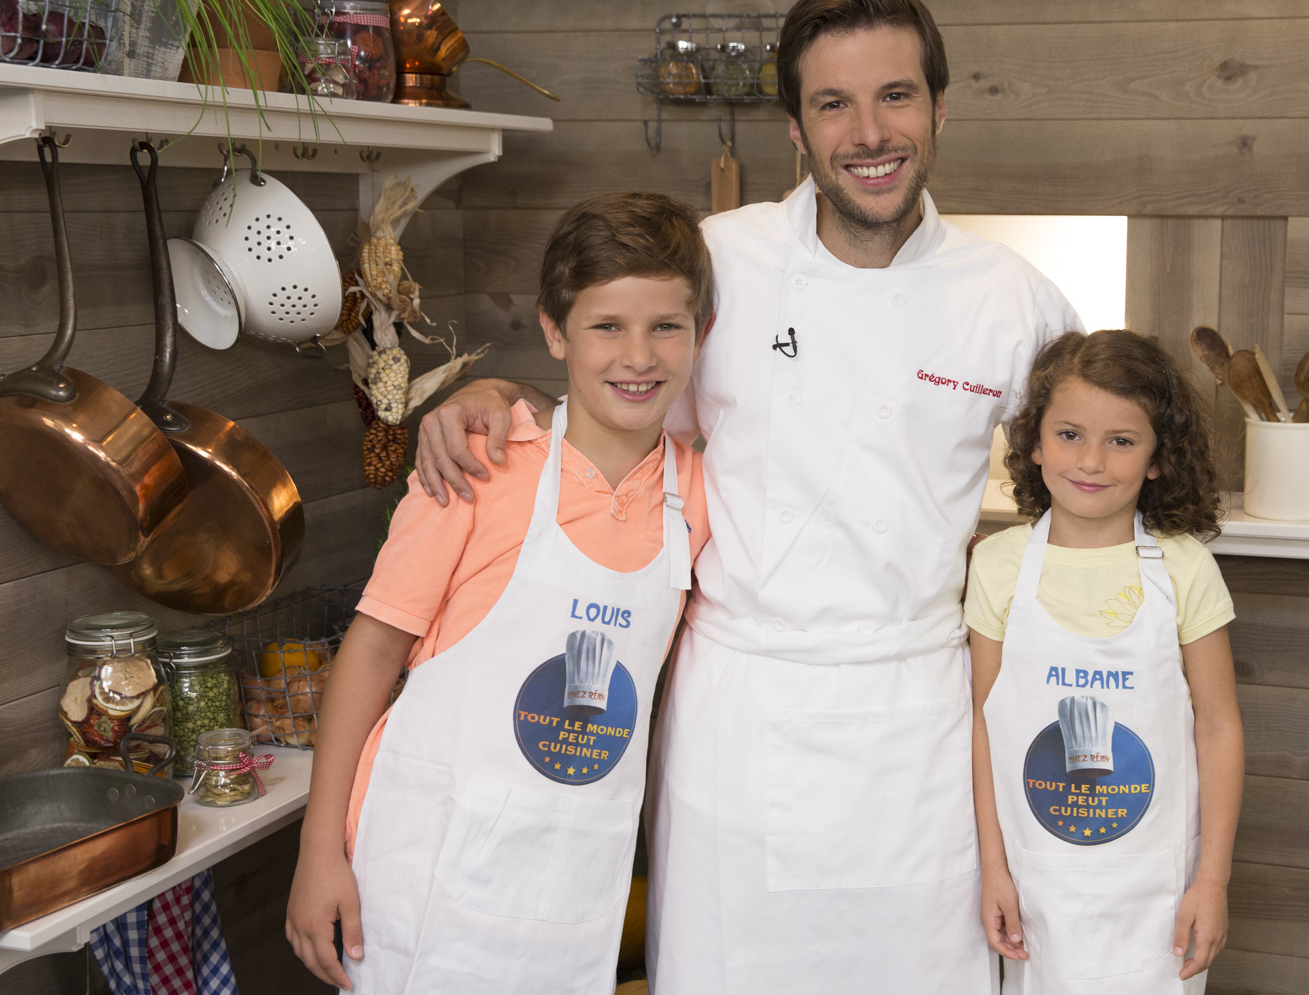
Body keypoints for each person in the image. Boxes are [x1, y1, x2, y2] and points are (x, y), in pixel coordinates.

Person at [417, 2, 1081, 991]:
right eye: (834, 104)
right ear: (796, 128)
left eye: (895, 96)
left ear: (940, 108)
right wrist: (500, 396)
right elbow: (618, 403)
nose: (869, 133)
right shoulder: (719, 262)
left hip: (918, 725)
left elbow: (1098, 465)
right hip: (739, 717)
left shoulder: (1010, 299)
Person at [283, 192, 714, 994]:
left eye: (666, 326)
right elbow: (371, 651)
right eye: (606, 326)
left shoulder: (698, 494)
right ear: (555, 331)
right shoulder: (478, 466)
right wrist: (318, 852)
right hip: (424, 873)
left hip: (570, 891)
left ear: (702, 334)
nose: (638, 356)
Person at [966, 330, 1243, 993]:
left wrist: (1212, 880)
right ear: (1035, 443)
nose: (1091, 460)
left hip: (1159, 890)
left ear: (1158, 456)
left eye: (1121, 440)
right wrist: (994, 869)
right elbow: (985, 725)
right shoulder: (998, 566)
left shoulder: (1184, 568)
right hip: (1037, 882)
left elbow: (1219, 728)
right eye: (1069, 434)